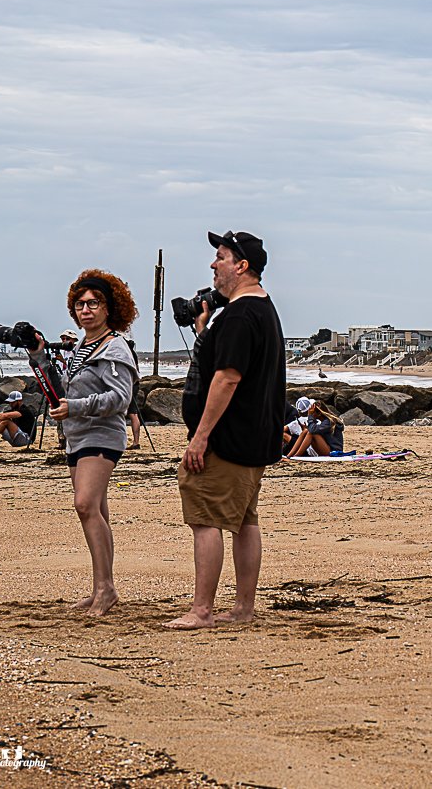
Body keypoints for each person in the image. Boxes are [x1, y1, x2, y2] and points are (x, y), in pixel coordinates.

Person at [168, 230, 285, 631]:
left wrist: (200, 436)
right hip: (255, 436)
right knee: (244, 521)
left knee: (207, 519)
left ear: (242, 266)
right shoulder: (261, 309)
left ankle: (201, 610)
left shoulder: (238, 315)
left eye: (220, 257)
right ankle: (243, 608)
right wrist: (204, 329)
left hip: (229, 439)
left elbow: (227, 378)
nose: (213, 265)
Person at [38, 270, 139, 616]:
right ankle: (102, 587)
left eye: (93, 303)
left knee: (84, 505)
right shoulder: (82, 346)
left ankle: (106, 589)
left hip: (102, 435)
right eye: (80, 304)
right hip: (76, 437)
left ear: (109, 308)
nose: (86, 310)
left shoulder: (116, 347)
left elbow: (121, 398)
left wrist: (75, 408)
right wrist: (38, 356)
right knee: (95, 512)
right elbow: (62, 387)